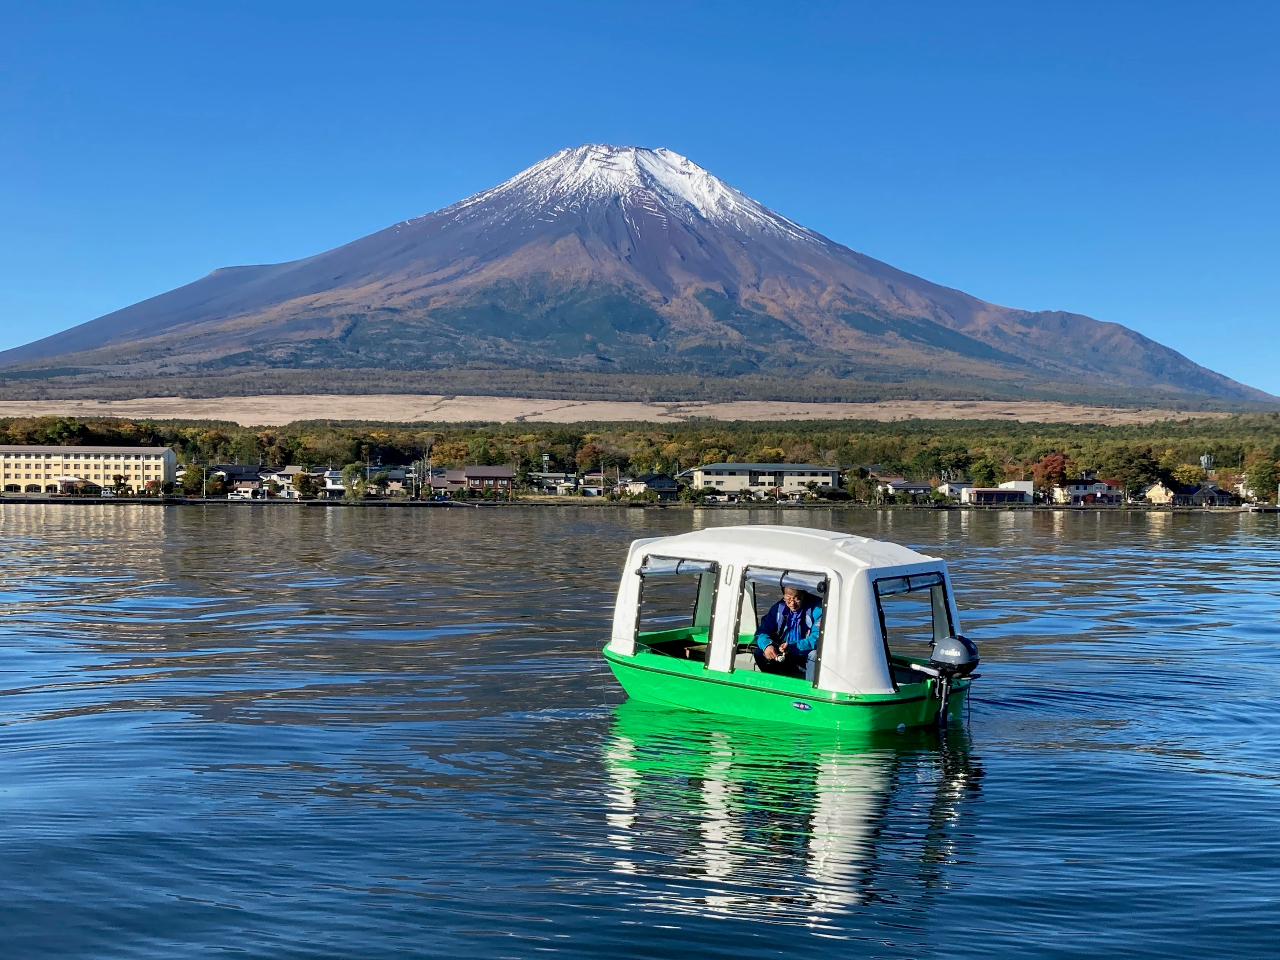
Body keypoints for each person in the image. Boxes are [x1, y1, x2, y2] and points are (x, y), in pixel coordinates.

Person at [753, 586, 822, 681]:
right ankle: (775, 683)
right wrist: (767, 645)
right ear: (783, 596)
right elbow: (762, 631)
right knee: (759, 653)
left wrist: (792, 646)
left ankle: (809, 689)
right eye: (788, 599)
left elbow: (817, 639)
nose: (792, 604)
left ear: (804, 594)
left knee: (815, 655)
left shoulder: (818, 608)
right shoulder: (778, 608)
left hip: (804, 654)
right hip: (783, 652)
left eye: (797, 599)